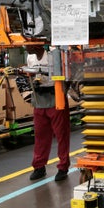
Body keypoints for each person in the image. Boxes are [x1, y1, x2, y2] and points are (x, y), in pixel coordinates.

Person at [25, 45, 70, 182]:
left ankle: (63, 167)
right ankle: (39, 166)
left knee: (61, 134)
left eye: (28, 45)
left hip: (55, 97)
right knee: (40, 135)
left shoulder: (53, 54)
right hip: (39, 100)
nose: (26, 47)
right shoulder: (30, 57)